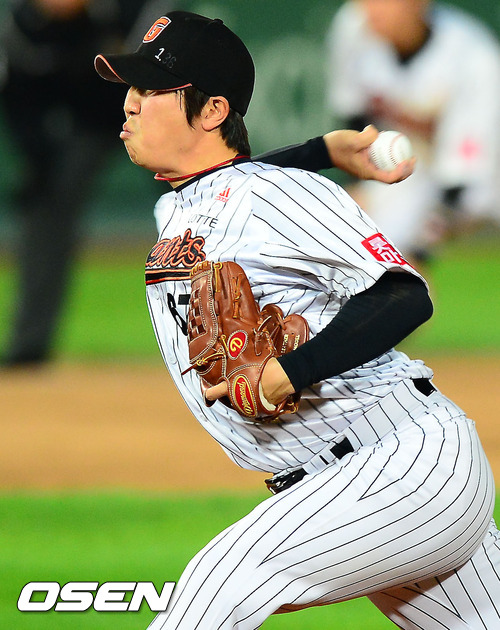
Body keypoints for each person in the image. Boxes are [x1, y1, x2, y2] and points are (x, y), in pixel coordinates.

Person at [95, 10, 500, 629]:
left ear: (212, 110)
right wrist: (322, 150)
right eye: (130, 87)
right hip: (355, 482)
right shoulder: (180, 207)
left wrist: (289, 371)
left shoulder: (277, 195)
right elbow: (231, 179)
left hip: (402, 463)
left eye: (150, 90)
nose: (129, 103)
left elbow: (404, 294)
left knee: (219, 584)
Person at [0, 0, 174, 367]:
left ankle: (233, 328)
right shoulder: (22, 29)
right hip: (84, 126)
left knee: (206, 200)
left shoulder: (130, 11)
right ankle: (29, 344)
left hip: (156, 118)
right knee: (46, 210)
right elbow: (21, 104)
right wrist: (38, 164)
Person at [326, 0, 500, 266]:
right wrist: (355, 186)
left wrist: (420, 253)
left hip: (484, 174)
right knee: (355, 243)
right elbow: (352, 114)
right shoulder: (353, 25)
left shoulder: (475, 57)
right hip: (410, 166)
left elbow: (461, 183)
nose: (370, 8)